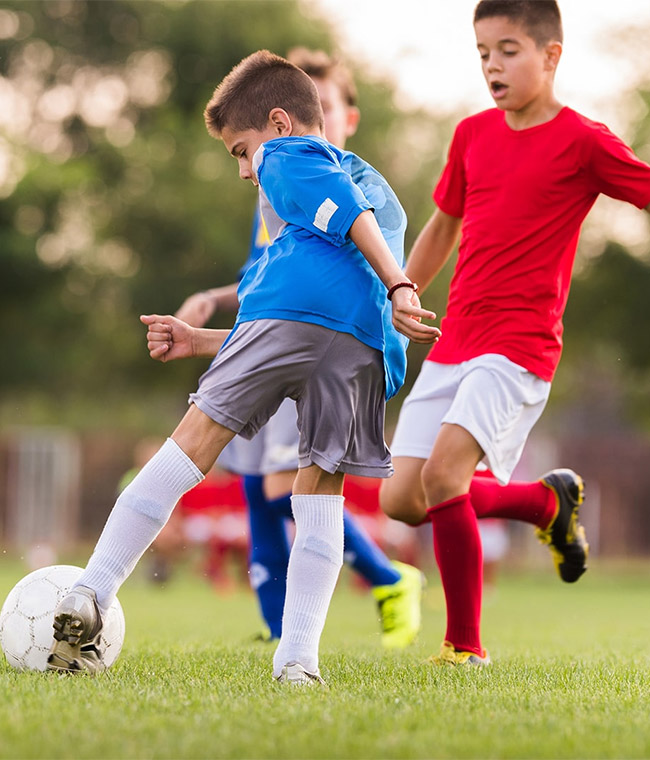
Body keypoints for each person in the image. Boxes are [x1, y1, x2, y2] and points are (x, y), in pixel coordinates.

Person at [46, 50, 439, 684]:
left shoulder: (293, 155)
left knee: (192, 446)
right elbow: (317, 295)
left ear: (279, 124)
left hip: (314, 316)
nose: (242, 170)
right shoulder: (372, 186)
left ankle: (90, 592)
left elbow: (308, 274)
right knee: (319, 497)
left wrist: (401, 284)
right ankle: (298, 663)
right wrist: (201, 339)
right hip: (361, 344)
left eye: (239, 150)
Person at [380, 0, 650, 666]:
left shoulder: (584, 140)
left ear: (551, 55)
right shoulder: (472, 134)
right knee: (403, 500)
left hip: (519, 346)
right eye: (482, 54)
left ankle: (463, 647)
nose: (492, 66)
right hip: (456, 340)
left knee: (446, 475)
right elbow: (444, 223)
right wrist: (403, 287)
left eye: (507, 50)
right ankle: (542, 503)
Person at [173, 48, 424, 649]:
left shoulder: (344, 182)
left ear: (341, 117)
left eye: (331, 105)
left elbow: (346, 262)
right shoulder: (277, 184)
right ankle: (279, 625)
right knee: (257, 480)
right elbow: (274, 275)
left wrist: (399, 287)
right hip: (280, 328)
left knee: (291, 484)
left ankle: (382, 581)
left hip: (324, 342)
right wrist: (214, 300)